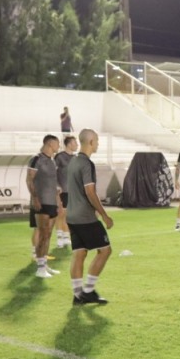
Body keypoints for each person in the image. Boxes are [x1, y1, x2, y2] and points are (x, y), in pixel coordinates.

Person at [65, 128, 114, 305]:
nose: (98, 144)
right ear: (91, 142)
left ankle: (78, 296)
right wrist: (104, 215)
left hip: (71, 216)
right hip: (85, 217)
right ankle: (88, 290)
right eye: (97, 141)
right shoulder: (86, 164)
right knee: (105, 250)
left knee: (79, 253)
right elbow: (90, 191)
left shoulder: (73, 162)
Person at [27, 134, 61, 278]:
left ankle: (44, 264)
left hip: (51, 202)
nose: (58, 147)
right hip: (41, 202)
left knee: (48, 235)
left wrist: (58, 200)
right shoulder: (36, 159)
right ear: (50, 144)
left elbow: (53, 184)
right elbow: (29, 180)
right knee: (43, 234)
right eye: (57, 144)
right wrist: (35, 199)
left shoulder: (52, 161)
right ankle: (40, 268)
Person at [54, 135, 77, 248]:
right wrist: (57, 186)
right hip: (61, 190)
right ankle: (59, 238)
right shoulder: (59, 157)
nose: (77, 144)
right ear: (69, 144)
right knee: (60, 214)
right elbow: (52, 172)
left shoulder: (76, 158)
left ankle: (66, 237)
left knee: (68, 215)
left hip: (72, 191)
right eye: (75, 142)